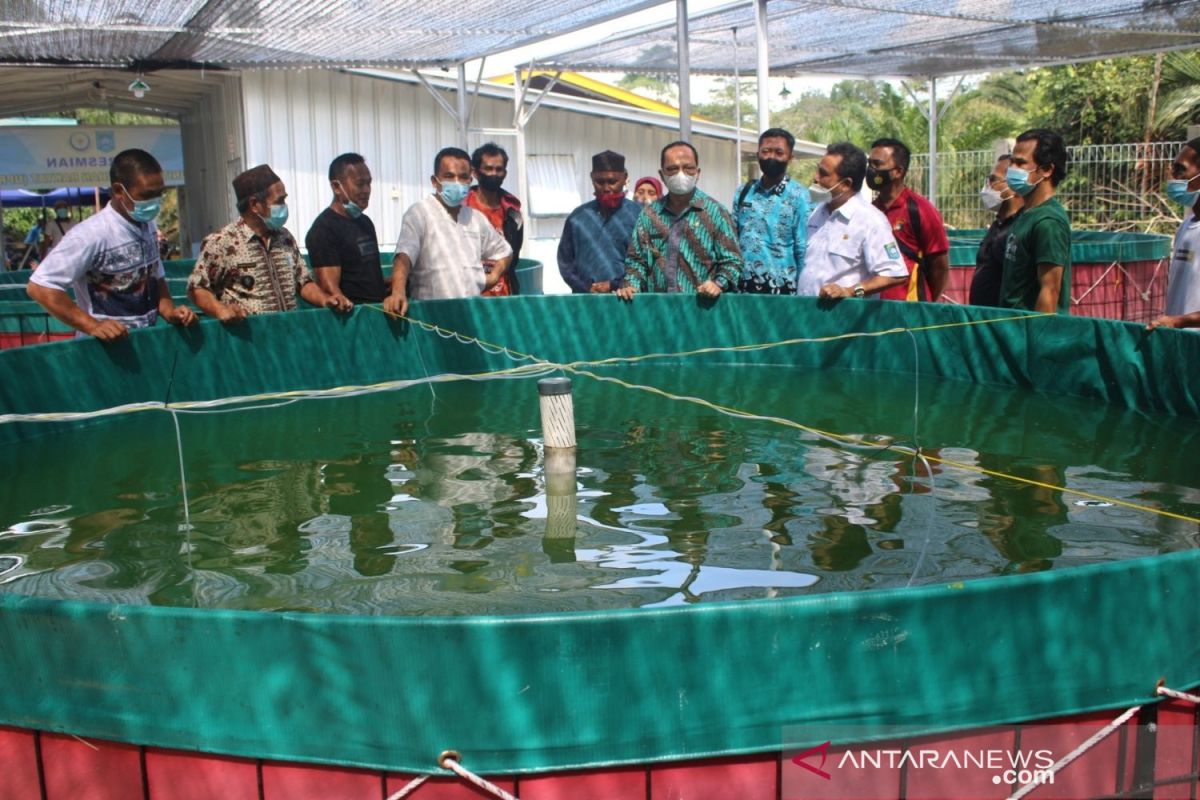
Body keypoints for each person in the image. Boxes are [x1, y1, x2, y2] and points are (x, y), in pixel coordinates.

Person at [27, 148, 196, 341]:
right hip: (103, 355)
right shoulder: (91, 235)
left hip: (144, 343)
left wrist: (169, 311)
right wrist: (93, 326)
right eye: (147, 195)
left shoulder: (147, 224)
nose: (155, 202)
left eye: (159, 193)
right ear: (118, 191)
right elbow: (40, 286)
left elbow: (155, 274)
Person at [188, 164, 346, 322]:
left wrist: (325, 300)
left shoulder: (285, 238)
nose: (284, 206)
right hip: (248, 341)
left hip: (288, 336)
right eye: (279, 201)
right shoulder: (222, 242)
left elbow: (303, 282)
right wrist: (220, 309)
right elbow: (197, 287)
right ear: (254, 205)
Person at [384, 147, 512, 317]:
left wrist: (493, 276)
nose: (457, 182)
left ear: (470, 180)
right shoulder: (420, 213)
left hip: (471, 315)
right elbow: (404, 256)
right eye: (449, 177)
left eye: (463, 177)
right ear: (435, 181)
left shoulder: (475, 218)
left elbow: (504, 251)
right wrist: (398, 292)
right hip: (432, 316)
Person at [617, 141, 742, 300]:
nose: (681, 174)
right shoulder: (649, 215)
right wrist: (631, 284)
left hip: (702, 310)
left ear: (698, 172)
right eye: (672, 169)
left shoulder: (716, 212)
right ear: (662, 175)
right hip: (660, 311)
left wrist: (718, 283)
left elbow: (733, 261)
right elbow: (636, 260)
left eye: (688, 168)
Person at [797, 142, 908, 301]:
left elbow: (895, 274)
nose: (815, 177)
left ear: (845, 184)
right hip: (808, 317)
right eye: (817, 170)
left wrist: (849, 291)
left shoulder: (870, 220)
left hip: (845, 320)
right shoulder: (817, 212)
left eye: (823, 173)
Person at [868, 137, 950, 302]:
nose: (871, 170)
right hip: (874, 308)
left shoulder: (920, 209)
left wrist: (929, 303)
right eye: (870, 164)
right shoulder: (870, 210)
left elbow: (939, 266)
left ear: (898, 171)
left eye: (877, 164)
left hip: (910, 307)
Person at [999, 129, 1072, 313]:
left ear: (1047, 170)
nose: (1012, 169)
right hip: (1011, 331)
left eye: (1021, 163)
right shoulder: (1027, 213)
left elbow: (1050, 290)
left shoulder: (1048, 222)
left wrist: (1036, 338)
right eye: (1012, 162)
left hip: (1027, 335)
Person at [732, 127, 809, 294]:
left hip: (783, 288)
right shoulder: (744, 192)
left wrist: (803, 293)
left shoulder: (800, 196)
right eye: (766, 151)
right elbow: (732, 238)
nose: (771, 157)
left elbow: (802, 248)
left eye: (779, 152)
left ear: (790, 157)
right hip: (743, 286)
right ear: (758, 153)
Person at [557, 150, 643, 294]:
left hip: (628, 299)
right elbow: (565, 262)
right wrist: (585, 287)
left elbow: (646, 261)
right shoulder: (577, 218)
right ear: (592, 178)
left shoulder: (639, 216)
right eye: (600, 182)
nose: (606, 188)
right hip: (586, 301)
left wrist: (616, 284)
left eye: (612, 182)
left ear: (624, 178)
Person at [305, 153, 384, 307]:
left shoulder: (365, 222)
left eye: (369, 183)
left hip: (378, 316)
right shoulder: (323, 229)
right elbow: (329, 289)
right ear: (336, 187)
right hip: (351, 319)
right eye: (360, 184)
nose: (367, 190)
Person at [1148, 137, 1200, 331]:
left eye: (1181, 169)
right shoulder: (1186, 225)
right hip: (1182, 347)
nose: (1172, 176)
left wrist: (1179, 322)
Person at [464, 142, 524, 296]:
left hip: (503, 298)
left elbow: (513, 256)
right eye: (488, 169)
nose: (493, 174)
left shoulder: (513, 213)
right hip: (467, 295)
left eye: (499, 169)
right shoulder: (462, 208)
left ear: (505, 173)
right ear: (476, 173)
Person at [969, 154, 1024, 307]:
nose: (987, 186)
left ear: (1013, 184)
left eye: (993, 180)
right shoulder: (997, 225)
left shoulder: (1019, 228)